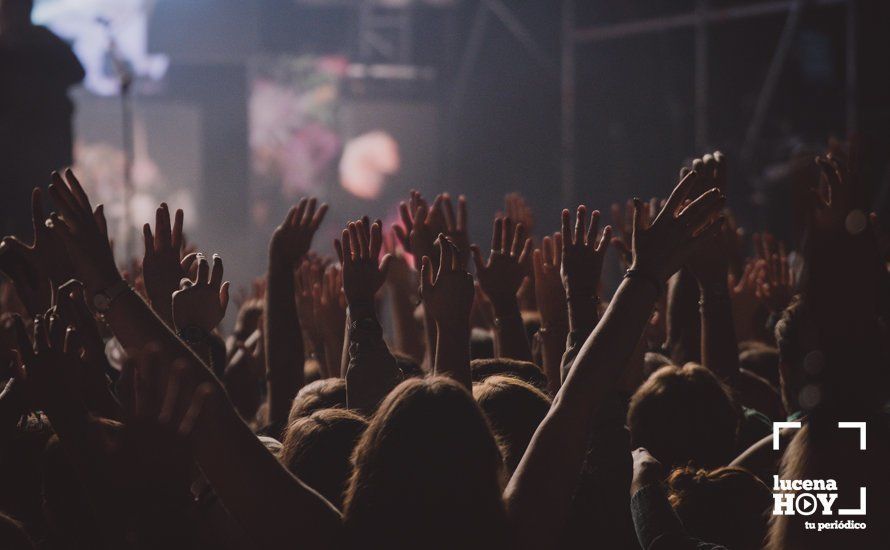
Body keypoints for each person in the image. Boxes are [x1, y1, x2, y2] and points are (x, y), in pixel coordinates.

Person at [0, 0, 84, 238]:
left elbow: (77, 71)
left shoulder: (41, 43)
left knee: (38, 226)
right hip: (14, 159)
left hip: (38, 157)